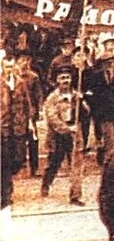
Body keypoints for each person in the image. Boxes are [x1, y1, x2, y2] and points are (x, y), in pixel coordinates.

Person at [40, 65, 89, 206]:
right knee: (53, 164)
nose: (65, 81)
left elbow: (86, 113)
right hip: (58, 136)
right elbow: (52, 118)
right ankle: (46, 183)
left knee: (76, 166)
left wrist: (82, 101)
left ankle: (75, 195)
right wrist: (67, 128)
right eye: (62, 78)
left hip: (74, 135)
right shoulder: (52, 98)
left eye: (67, 77)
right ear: (57, 80)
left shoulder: (76, 95)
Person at [1, 55, 32, 209]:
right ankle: (7, 193)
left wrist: (30, 122)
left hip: (19, 127)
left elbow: (27, 103)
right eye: (6, 67)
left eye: (11, 67)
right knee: (4, 162)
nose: (9, 70)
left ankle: (8, 184)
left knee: (19, 158)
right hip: (3, 128)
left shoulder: (21, 83)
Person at [15, 54, 43, 177]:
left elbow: (39, 95)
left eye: (27, 60)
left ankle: (34, 167)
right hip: (16, 114)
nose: (24, 63)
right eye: (22, 60)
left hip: (30, 113)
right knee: (18, 141)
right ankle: (20, 166)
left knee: (33, 140)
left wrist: (39, 110)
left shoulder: (33, 77)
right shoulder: (13, 78)